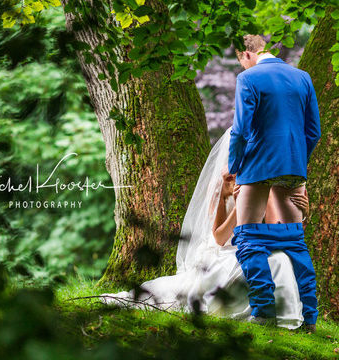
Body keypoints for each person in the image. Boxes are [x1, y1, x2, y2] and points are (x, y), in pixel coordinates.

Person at [100, 128, 311, 329]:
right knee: (271, 263)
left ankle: (284, 317)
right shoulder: (227, 182)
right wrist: (240, 207)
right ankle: (265, 314)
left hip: (259, 246)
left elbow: (282, 231)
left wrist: (301, 213)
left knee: (280, 259)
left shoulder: (273, 182)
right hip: (226, 252)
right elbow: (219, 237)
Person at [228, 34, 321, 331]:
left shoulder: (249, 78)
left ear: (246, 55)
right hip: (293, 164)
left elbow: (241, 130)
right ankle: (310, 317)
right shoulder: (302, 77)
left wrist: (234, 168)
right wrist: (296, 161)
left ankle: (264, 310)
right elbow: (313, 131)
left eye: (240, 61)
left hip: (257, 164)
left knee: (246, 236)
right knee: (295, 239)